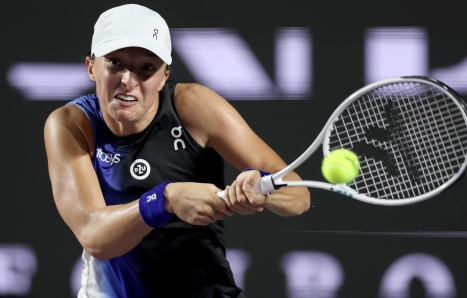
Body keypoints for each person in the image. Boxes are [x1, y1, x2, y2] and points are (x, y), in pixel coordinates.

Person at [44, 4, 310, 298]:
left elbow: (299, 195)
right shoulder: (72, 125)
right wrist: (166, 198)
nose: (128, 81)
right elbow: (94, 237)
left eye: (146, 68)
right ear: (92, 67)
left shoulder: (194, 107)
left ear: (164, 77)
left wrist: (263, 190)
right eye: (115, 63)